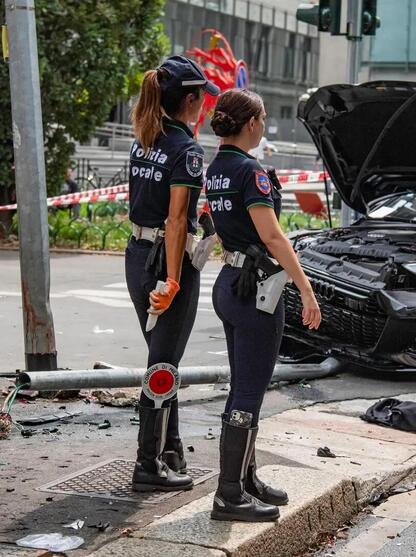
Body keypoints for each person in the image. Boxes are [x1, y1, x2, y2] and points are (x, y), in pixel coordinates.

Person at [206, 89, 322, 522]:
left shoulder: (215, 169)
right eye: (264, 119)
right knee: (249, 392)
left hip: (230, 284)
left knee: (242, 386)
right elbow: (273, 237)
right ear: (250, 123)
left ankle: (246, 480)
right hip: (254, 292)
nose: (264, 126)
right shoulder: (250, 172)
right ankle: (229, 494)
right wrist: (306, 290)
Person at [126, 55, 220, 492]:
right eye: (202, 99)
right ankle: (148, 464)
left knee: (163, 358)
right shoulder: (186, 150)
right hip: (167, 258)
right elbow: (178, 219)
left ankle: (170, 449)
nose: (204, 107)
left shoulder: (145, 137)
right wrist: (176, 279)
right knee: (163, 365)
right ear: (191, 100)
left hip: (136, 254)